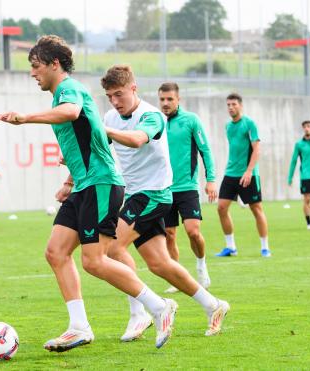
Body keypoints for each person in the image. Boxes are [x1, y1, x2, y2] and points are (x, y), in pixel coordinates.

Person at [0, 35, 177, 351]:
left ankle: (160, 307)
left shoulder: (69, 90)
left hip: (101, 183)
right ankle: (79, 327)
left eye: (36, 66)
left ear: (54, 64)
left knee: (94, 261)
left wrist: (25, 118)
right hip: (83, 185)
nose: (32, 73)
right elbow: (86, 140)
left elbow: (71, 113)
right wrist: (68, 182)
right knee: (56, 252)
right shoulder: (60, 95)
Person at [101, 66, 229, 342]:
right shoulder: (110, 117)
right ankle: (213, 305)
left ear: (133, 88)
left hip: (153, 194)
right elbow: (100, 149)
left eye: (119, 94)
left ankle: (142, 313)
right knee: (160, 264)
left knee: (112, 247)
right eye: (110, 96)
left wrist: (105, 129)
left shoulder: (151, 116)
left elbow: (137, 140)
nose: (114, 101)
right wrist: (70, 177)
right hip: (135, 194)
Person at [158, 82, 216, 293]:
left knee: (193, 231)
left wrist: (210, 180)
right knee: (169, 234)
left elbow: (205, 151)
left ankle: (201, 266)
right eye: (162, 99)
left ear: (178, 99)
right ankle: (178, 277)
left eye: (169, 99)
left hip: (187, 187)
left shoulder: (191, 120)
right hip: (163, 188)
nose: (165, 103)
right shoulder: (156, 122)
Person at [215, 93, 271, 258]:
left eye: (234, 104)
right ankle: (231, 247)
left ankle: (265, 247)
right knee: (221, 208)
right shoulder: (228, 126)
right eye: (228, 105)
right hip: (230, 173)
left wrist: (249, 171)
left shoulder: (249, 124)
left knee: (256, 210)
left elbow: (257, 149)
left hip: (249, 175)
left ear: (240, 105)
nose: (231, 107)